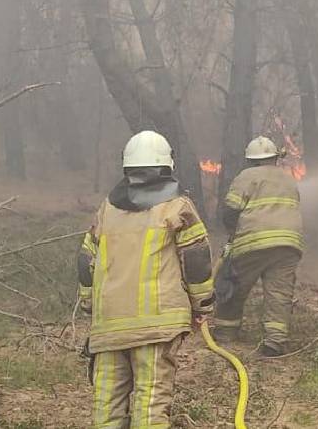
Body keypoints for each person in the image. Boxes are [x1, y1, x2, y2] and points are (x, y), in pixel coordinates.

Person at [78, 130, 215, 429]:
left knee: (106, 405)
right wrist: (201, 304)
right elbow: (197, 259)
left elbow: (85, 260)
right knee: (150, 402)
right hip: (156, 325)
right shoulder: (177, 206)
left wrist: (90, 305)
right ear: (167, 165)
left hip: (109, 325)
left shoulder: (107, 208)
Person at [213, 136, 304, 357]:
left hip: (254, 242)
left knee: (234, 283)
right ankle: (275, 341)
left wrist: (233, 233)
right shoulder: (289, 179)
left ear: (250, 160)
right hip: (288, 244)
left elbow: (231, 210)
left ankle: (226, 332)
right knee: (279, 292)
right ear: (274, 158)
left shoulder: (246, 177)